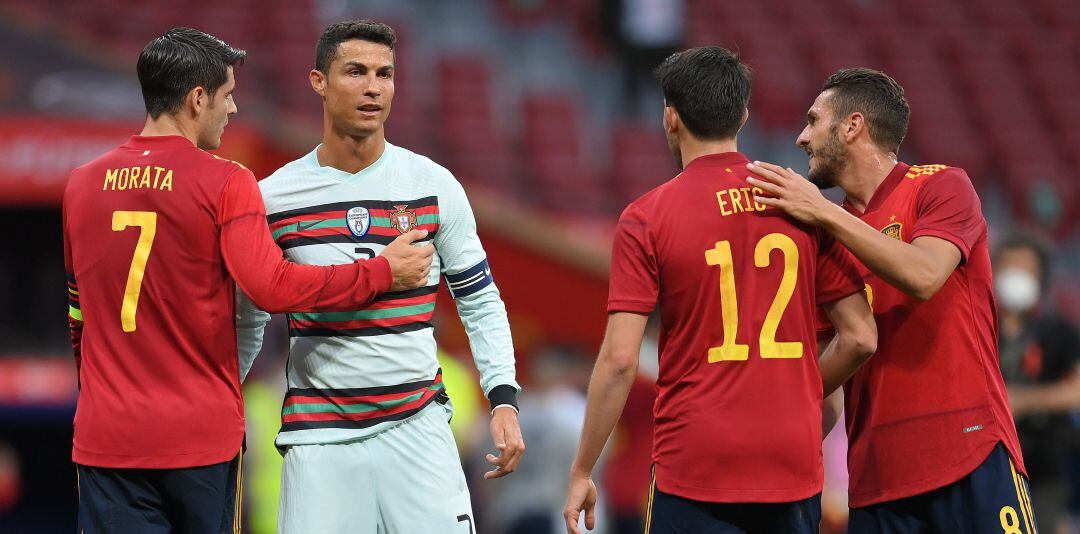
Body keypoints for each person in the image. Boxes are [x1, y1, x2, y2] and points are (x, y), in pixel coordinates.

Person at [62, 28, 433, 533]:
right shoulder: (225, 180)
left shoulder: (81, 184)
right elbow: (272, 287)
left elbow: (79, 316)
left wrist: (106, 396)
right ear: (197, 99)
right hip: (199, 439)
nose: (233, 108)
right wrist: (381, 271)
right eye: (228, 95)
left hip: (107, 438)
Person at [563, 47, 877, 534]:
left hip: (696, 463)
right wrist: (805, 396)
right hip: (791, 459)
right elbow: (859, 337)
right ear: (744, 115)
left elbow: (621, 360)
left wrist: (583, 468)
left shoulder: (647, 217)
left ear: (671, 117)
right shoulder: (799, 202)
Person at [236, 20, 524, 533]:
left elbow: (480, 300)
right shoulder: (275, 198)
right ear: (318, 81)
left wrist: (503, 397)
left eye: (384, 74)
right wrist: (224, 395)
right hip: (319, 438)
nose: (373, 87)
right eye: (355, 72)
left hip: (418, 427)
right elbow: (248, 318)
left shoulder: (433, 186)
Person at [747, 67, 1036, 533]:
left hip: (970, 454)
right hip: (878, 481)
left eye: (813, 120)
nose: (801, 138)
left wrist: (821, 212)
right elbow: (821, 364)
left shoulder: (940, 186)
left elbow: (923, 276)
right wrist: (768, 447)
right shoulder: (821, 236)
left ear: (852, 126)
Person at [995, 233, 1080, 533]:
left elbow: (1075, 390)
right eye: (1008, 266)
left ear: (1040, 277)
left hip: (1042, 469)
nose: (1015, 274)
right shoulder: (978, 326)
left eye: (1025, 268)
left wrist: (1023, 400)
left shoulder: (1058, 332)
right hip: (988, 465)